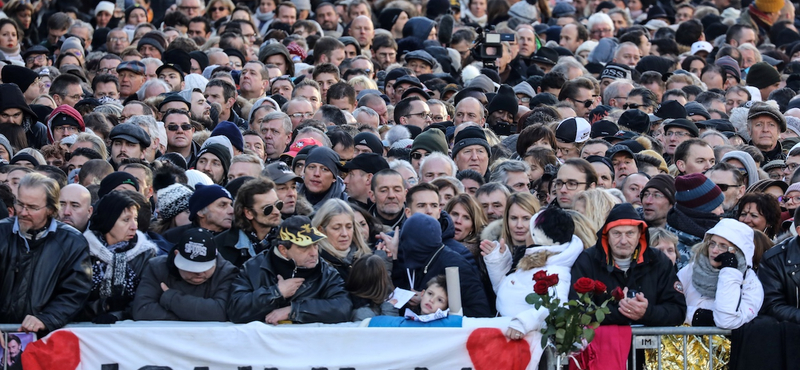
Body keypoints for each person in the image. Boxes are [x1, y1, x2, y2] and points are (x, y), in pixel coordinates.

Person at [0, 173, 91, 335]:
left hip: (45, 339)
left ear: (50, 209)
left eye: (33, 207)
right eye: (20, 204)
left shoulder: (72, 242)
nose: (23, 212)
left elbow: (75, 292)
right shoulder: (2, 232)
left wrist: (47, 318)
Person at [570, 203, 686, 326]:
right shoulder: (587, 260)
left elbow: (678, 311)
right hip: (604, 343)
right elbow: (577, 310)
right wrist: (622, 312)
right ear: (607, 235)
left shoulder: (658, 260)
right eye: (617, 233)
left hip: (650, 344)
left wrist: (647, 312)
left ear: (639, 235)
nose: (623, 241)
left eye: (630, 233)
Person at [226, 215, 352, 324]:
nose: (314, 253)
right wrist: (276, 292)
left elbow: (343, 307)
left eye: (315, 245)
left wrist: (294, 310)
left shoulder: (326, 272)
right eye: (305, 248)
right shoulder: (253, 267)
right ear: (283, 250)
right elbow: (235, 309)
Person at [383, 213, 491, 317]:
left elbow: (480, 312)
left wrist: (434, 303)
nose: (403, 245)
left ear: (416, 244)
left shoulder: (456, 267)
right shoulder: (420, 258)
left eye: (404, 240)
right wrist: (394, 257)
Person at [79, 191, 158, 323]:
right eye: (126, 220)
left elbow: (146, 300)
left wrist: (118, 314)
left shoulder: (146, 254)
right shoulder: (82, 251)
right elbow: (71, 297)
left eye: (135, 219)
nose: (134, 226)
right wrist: (103, 306)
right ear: (108, 221)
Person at [132, 227, 238, 321]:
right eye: (191, 267)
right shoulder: (157, 267)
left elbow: (220, 312)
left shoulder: (226, 272)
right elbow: (141, 310)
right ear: (177, 255)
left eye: (205, 267)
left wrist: (170, 298)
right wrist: (195, 315)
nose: (199, 273)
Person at [677, 219, 762, 329]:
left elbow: (725, 320)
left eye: (723, 246)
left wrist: (730, 271)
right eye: (712, 243)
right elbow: (672, 307)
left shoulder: (750, 283)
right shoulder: (691, 270)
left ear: (738, 251)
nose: (715, 250)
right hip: (684, 344)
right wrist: (695, 315)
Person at [215, 178, 283, 268]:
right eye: (268, 208)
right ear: (248, 213)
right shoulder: (220, 246)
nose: (276, 212)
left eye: (278, 205)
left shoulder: (290, 238)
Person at [665, 173, 724, 269]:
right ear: (700, 212)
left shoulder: (717, 234)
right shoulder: (669, 248)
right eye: (717, 206)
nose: (722, 211)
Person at [312, 199, 376, 282]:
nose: (344, 234)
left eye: (349, 227)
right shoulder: (316, 264)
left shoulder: (365, 257)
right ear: (321, 230)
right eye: (337, 228)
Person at [346, 254, 399, 321]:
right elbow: (389, 330)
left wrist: (383, 258)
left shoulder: (364, 299)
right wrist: (389, 309)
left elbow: (375, 274)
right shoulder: (363, 313)